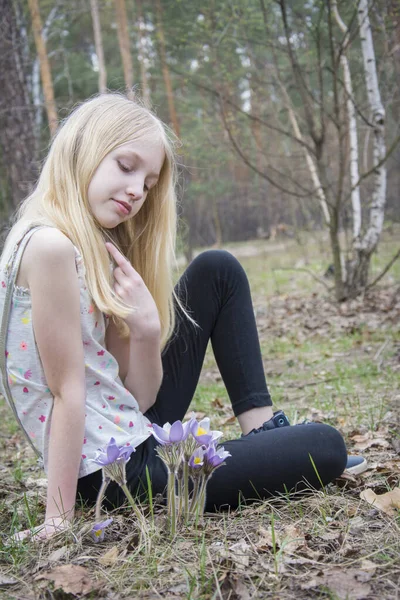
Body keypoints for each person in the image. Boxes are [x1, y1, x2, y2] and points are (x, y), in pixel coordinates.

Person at [0, 93, 365, 541]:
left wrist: (146, 332)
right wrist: (58, 517)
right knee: (324, 446)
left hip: (126, 429)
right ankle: (273, 450)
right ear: (83, 151)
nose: (138, 190)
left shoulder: (91, 248)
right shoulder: (49, 248)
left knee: (217, 270)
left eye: (149, 183)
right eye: (126, 166)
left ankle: (264, 433)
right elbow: (65, 392)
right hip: (114, 472)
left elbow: (132, 394)